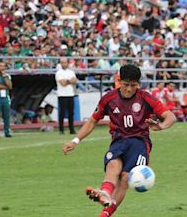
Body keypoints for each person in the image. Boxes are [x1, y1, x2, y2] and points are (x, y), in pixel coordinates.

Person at [62, 65, 176, 217]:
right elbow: (92, 121)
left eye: (133, 85)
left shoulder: (146, 98)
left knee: (125, 177)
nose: (129, 89)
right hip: (118, 141)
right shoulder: (109, 99)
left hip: (139, 143)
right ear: (119, 80)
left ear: (138, 84)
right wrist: (75, 141)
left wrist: (161, 126)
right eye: (125, 84)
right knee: (113, 166)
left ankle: (106, 211)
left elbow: (171, 117)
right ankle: (105, 195)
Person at [55, 58, 78, 134]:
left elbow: (75, 81)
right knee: (62, 113)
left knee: (71, 113)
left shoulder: (71, 72)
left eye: (65, 62)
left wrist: (67, 81)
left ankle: (71, 129)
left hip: (70, 94)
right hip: (62, 95)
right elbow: (62, 83)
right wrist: (69, 81)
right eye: (62, 62)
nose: (63, 64)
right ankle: (61, 129)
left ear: (67, 63)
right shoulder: (59, 73)